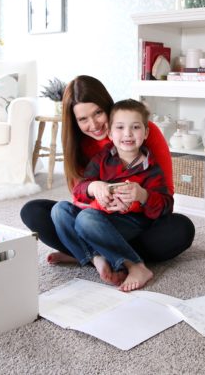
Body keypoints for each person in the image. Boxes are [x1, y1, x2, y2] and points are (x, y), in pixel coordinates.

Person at [20, 75, 194, 267]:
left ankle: (84, 252)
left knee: (181, 228)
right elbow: (79, 197)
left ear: (107, 106)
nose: (93, 125)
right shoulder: (80, 145)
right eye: (83, 119)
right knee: (36, 211)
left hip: (135, 223)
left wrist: (135, 201)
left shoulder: (139, 131)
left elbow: (165, 196)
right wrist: (99, 192)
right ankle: (101, 255)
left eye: (98, 113)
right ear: (74, 121)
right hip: (94, 219)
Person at [52, 99, 171, 291]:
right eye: (120, 127)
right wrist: (94, 186)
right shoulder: (102, 159)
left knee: (86, 219)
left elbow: (166, 206)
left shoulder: (151, 168)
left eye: (135, 127)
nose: (127, 134)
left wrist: (142, 196)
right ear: (110, 132)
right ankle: (96, 258)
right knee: (59, 210)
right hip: (98, 217)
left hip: (129, 222)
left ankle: (135, 266)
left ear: (146, 132)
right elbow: (79, 190)